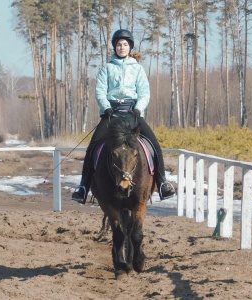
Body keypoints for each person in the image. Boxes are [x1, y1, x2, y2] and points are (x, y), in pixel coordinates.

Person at [72, 29, 175, 204]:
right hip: (111, 113)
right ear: (115, 47)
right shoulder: (107, 68)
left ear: (130, 47)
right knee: (93, 146)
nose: (121, 47)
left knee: (153, 143)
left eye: (125, 45)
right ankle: (83, 186)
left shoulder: (137, 69)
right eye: (119, 45)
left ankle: (162, 182)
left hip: (132, 112)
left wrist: (138, 108)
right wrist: (106, 107)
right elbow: (100, 91)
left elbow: (144, 92)